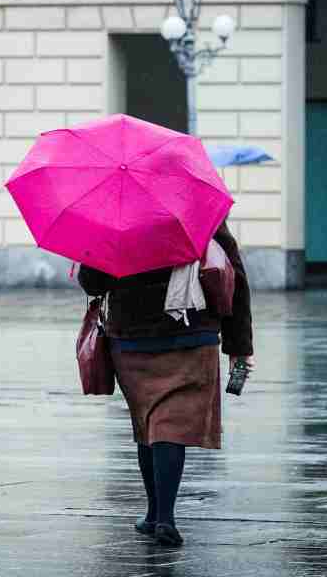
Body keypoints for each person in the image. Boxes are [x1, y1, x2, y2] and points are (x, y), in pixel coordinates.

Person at [78, 219, 254, 548]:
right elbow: (234, 275)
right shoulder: (197, 208)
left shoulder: (115, 213)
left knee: (149, 422)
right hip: (192, 331)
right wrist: (239, 346)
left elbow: (93, 282)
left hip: (132, 338)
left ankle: (155, 513)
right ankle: (165, 518)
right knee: (168, 425)